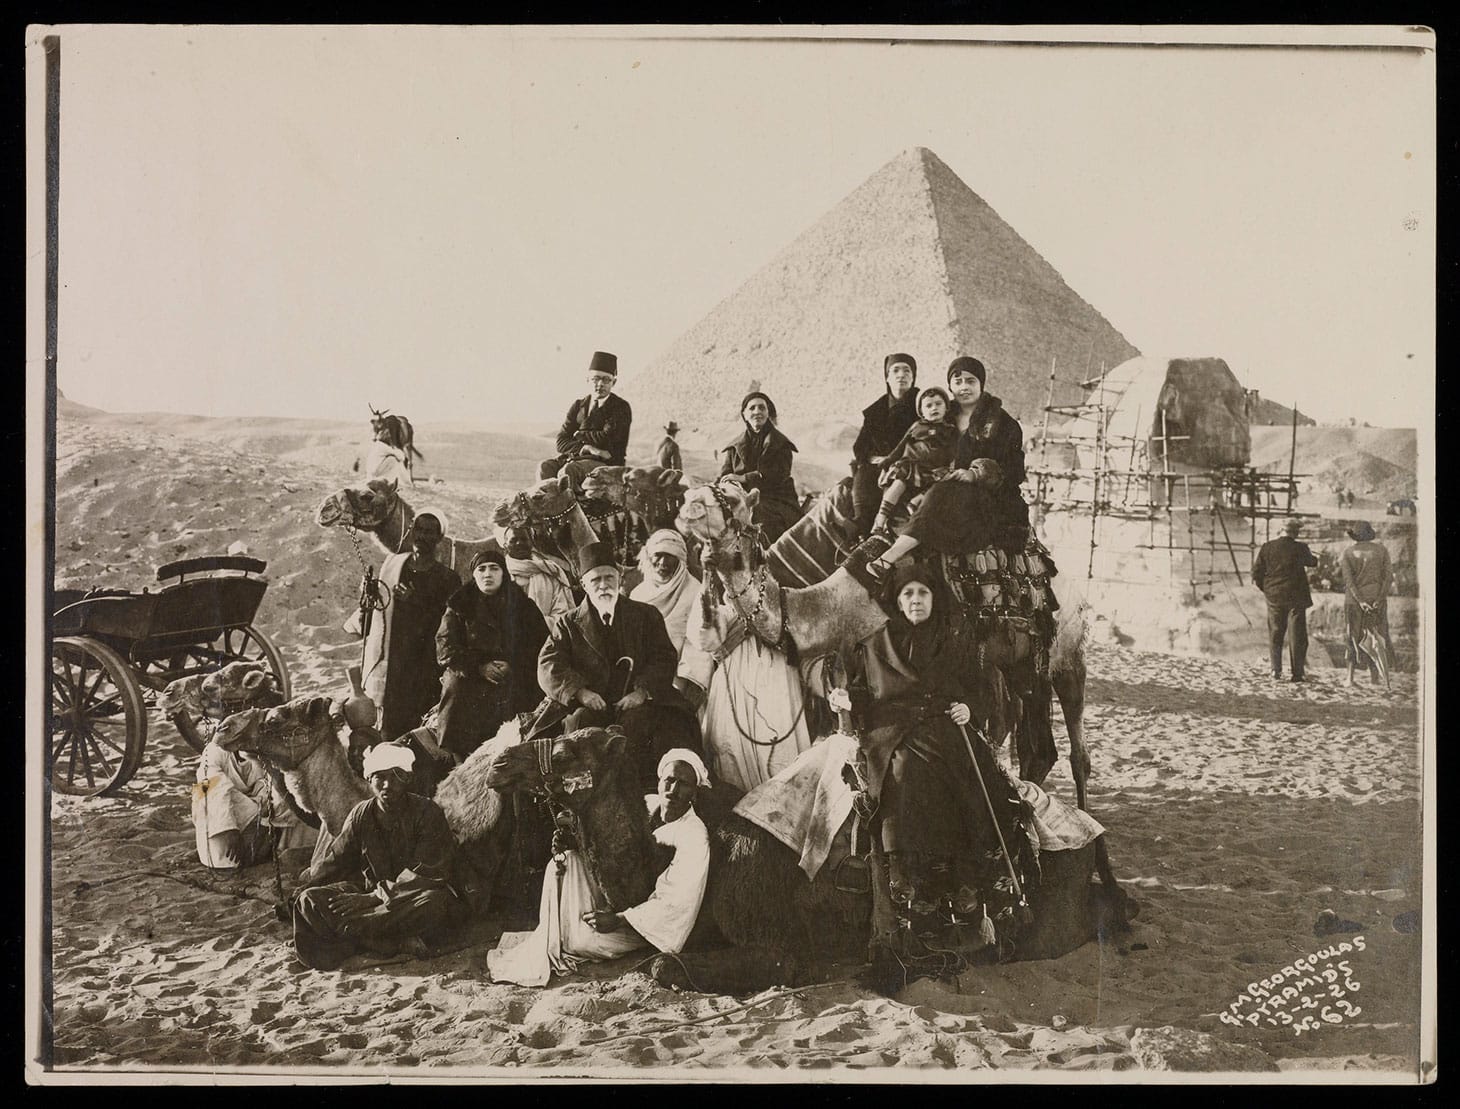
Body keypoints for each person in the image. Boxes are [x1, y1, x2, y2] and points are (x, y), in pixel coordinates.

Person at [807, 565, 1035, 932]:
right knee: (905, 769)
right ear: (897, 601)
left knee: (967, 772)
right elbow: (866, 693)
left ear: (934, 598)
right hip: (892, 729)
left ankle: (966, 879)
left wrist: (969, 708)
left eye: (923, 593)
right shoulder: (877, 642)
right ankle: (909, 878)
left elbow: (978, 687)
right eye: (908, 594)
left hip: (946, 723)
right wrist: (845, 699)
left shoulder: (955, 638)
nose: (915, 600)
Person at [486, 750, 712, 986]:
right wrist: (575, 842)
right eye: (670, 780)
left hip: (644, 925)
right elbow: (609, 848)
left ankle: (564, 934)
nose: (673, 790)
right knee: (564, 863)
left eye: (683, 784)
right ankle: (561, 932)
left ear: (694, 793)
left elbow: (675, 903)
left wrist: (618, 919)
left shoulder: (693, 836)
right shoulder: (646, 805)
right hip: (618, 895)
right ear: (659, 781)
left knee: (581, 942)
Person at [535, 541, 701, 785]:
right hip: (589, 704)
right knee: (574, 730)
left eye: (609, 578)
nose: (603, 586)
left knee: (657, 728)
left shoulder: (646, 615)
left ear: (619, 578)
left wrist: (642, 692)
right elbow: (549, 663)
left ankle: (648, 792)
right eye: (595, 580)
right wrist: (580, 692)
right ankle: (576, 793)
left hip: (638, 703)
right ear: (584, 584)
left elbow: (663, 656)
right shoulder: (567, 624)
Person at [291, 744, 465, 970]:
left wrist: (375, 897)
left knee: (434, 903)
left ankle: (358, 938)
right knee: (308, 900)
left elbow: (428, 873)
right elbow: (336, 860)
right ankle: (385, 940)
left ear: (408, 778)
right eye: (379, 777)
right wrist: (307, 886)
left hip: (409, 897)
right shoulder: (361, 814)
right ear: (368, 780)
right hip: (371, 899)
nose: (387, 785)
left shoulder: (427, 812)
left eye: (396, 776)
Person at [868, 357, 1031, 578]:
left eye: (970, 381)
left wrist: (975, 474)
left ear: (981, 384)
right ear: (950, 387)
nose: (964, 387)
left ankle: (891, 557)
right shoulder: (942, 414)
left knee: (940, 494)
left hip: (988, 498)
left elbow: (1015, 470)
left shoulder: (1003, 423)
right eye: (958, 381)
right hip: (942, 483)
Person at [677, 573, 814, 794]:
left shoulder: (780, 607)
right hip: (733, 683)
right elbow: (705, 639)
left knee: (780, 747)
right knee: (731, 748)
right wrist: (706, 580)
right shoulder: (724, 612)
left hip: (778, 684)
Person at [435, 546, 550, 761]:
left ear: (503, 573)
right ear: (474, 575)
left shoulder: (523, 605)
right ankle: (457, 755)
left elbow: (542, 644)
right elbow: (445, 646)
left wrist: (513, 665)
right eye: (482, 569)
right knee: (456, 688)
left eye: (494, 568)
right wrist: (479, 666)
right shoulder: (460, 605)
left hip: (513, 674)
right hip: (470, 675)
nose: (487, 574)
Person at [358, 511, 462, 739]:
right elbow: (378, 612)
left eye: (429, 532)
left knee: (421, 724)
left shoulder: (448, 579)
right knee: (390, 725)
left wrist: (415, 602)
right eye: (419, 529)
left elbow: (450, 625)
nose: (422, 536)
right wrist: (370, 594)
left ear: (439, 538)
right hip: (396, 660)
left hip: (426, 664)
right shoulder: (394, 568)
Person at [192, 739, 315, 870]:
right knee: (205, 790)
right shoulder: (214, 751)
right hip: (224, 831)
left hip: (259, 817)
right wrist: (229, 829)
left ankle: (275, 846)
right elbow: (212, 789)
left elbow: (274, 784)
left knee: (290, 796)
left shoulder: (263, 747)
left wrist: (263, 815)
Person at [538, 351, 633, 488]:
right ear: (587, 380)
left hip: (607, 463)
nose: (600, 384)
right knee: (545, 467)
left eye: (606, 380)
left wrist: (579, 434)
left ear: (614, 382)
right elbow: (561, 442)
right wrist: (586, 448)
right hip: (577, 457)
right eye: (595, 378)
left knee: (569, 471)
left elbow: (607, 438)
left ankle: (571, 508)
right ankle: (548, 508)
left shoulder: (620, 407)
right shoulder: (578, 406)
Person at [872, 386, 959, 535]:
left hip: (934, 469)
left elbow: (955, 452)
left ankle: (915, 503)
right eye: (928, 406)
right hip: (912, 465)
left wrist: (952, 467)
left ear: (946, 407)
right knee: (899, 481)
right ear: (921, 411)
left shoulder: (950, 430)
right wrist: (886, 462)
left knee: (940, 484)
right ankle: (881, 518)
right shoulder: (916, 427)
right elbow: (900, 447)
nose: (934, 408)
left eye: (938, 404)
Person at [851, 353, 921, 535]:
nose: (901, 375)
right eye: (895, 370)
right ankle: (859, 527)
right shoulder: (876, 411)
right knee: (863, 474)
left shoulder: (923, 407)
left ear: (913, 377)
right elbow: (860, 447)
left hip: (909, 467)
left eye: (907, 370)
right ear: (887, 377)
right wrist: (875, 460)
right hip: (878, 466)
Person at [719, 391, 801, 542]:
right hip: (740, 500)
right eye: (752, 408)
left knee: (758, 513)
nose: (757, 412)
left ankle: (766, 559)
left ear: (768, 412)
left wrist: (743, 478)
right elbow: (724, 475)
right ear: (744, 415)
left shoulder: (781, 444)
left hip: (777, 500)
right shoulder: (734, 447)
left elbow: (778, 476)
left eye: (762, 408)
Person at [1252, 518, 1319, 682]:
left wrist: (1267, 589)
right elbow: (1312, 562)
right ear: (1295, 532)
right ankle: (1297, 673)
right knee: (1297, 635)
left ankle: (1275, 670)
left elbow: (1256, 573)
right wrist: (1313, 555)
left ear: (1281, 530)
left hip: (1274, 596)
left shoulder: (1267, 547)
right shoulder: (1301, 548)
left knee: (1275, 632)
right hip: (1296, 597)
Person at [628, 528, 701, 657]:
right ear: (649, 557)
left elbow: (699, 645)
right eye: (658, 555)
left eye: (669, 556)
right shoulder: (638, 595)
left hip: (684, 670)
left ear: (680, 560)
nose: (663, 562)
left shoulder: (695, 591)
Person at [1340, 521, 1394, 689]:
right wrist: (1379, 598)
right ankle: (1375, 678)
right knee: (1377, 636)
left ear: (1354, 536)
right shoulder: (1381, 551)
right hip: (1377, 600)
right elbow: (1388, 578)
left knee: (1352, 637)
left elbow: (1349, 581)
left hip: (1354, 602)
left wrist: (1361, 601)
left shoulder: (1349, 553)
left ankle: (1350, 678)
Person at [502, 526, 578, 623]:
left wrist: (535, 624)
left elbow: (562, 614)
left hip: (547, 635)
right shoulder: (501, 574)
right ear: (505, 545)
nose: (519, 543)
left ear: (532, 543)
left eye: (524, 539)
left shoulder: (550, 573)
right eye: (513, 540)